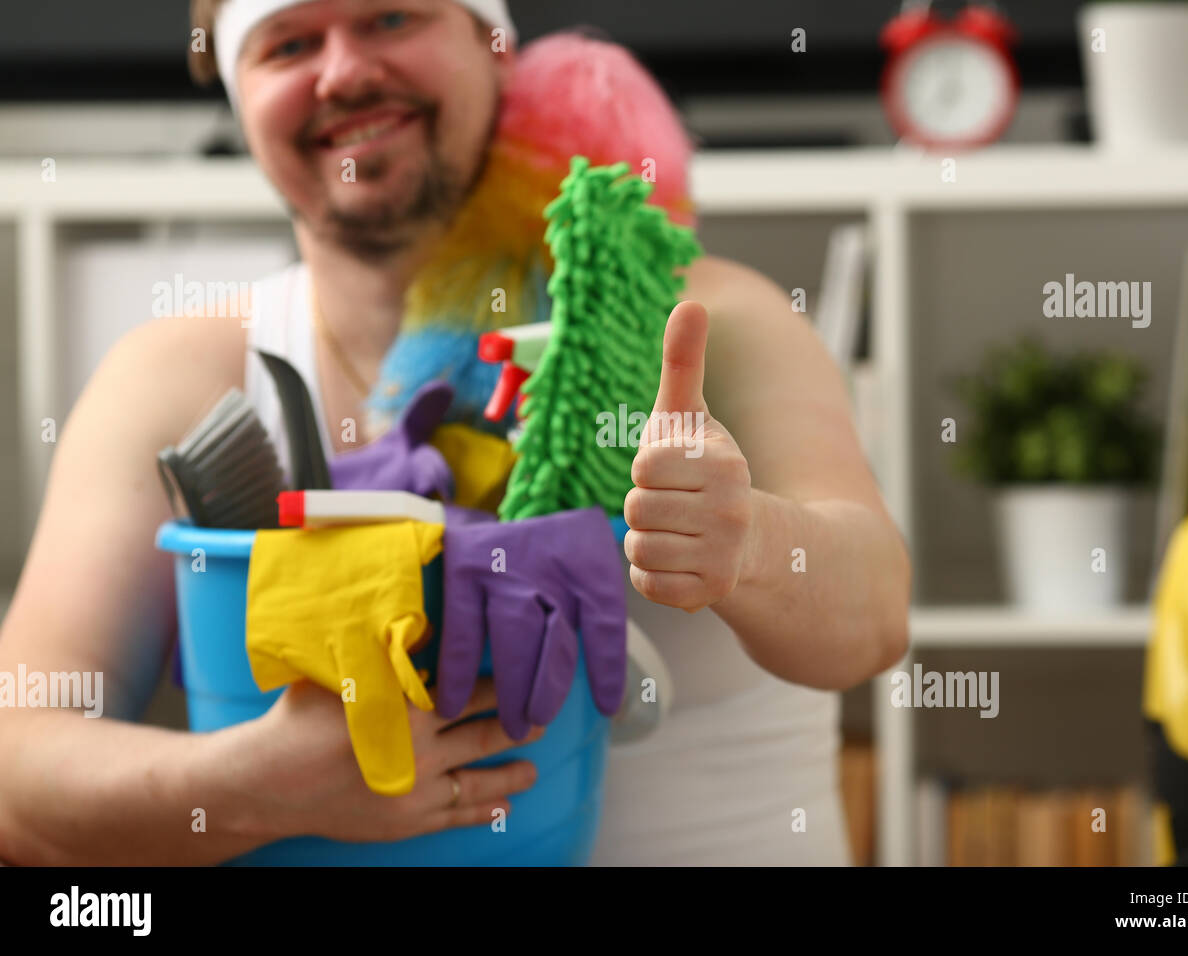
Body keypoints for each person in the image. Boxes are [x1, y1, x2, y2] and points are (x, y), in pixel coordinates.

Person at [0, 0, 910, 866]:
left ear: (494, 43)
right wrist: (249, 788)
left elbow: (872, 617)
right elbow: (18, 765)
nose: (344, 71)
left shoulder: (701, 319)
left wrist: (745, 543)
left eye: (391, 17)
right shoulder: (177, 378)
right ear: (236, 93)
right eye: (287, 44)